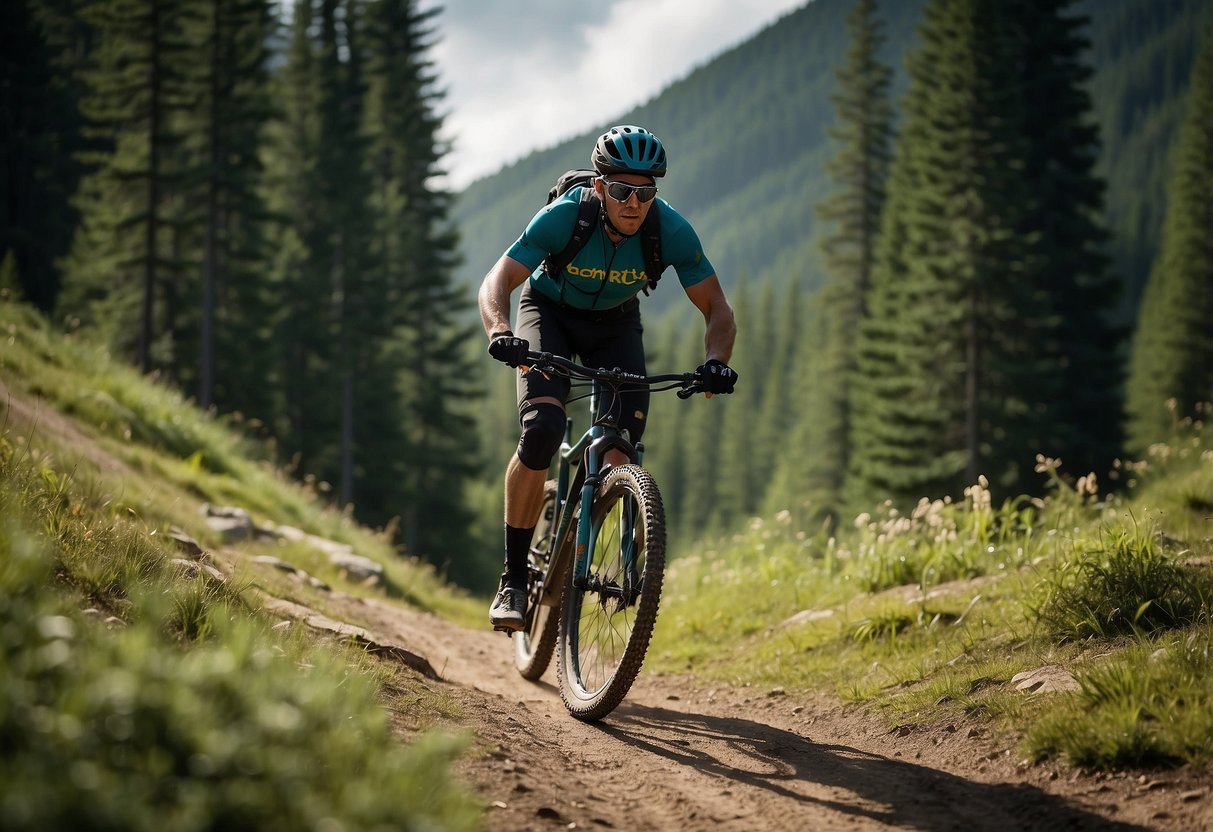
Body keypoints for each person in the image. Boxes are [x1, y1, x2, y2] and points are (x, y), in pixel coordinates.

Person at [478, 125, 738, 632]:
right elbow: (499, 280)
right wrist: (501, 330)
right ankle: (512, 578)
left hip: (615, 324)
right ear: (599, 188)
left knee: (621, 448)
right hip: (546, 313)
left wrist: (716, 361)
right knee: (543, 430)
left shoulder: (670, 231)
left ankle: (597, 549)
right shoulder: (565, 218)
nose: (634, 203)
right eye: (622, 190)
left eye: (645, 192)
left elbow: (718, 307)